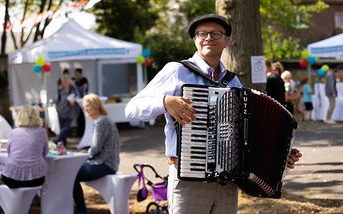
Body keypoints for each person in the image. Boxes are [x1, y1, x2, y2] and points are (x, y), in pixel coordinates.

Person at [125, 13, 302, 214]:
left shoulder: (233, 82)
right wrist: (165, 102)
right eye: (202, 34)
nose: (208, 38)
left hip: (227, 183)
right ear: (195, 40)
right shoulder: (176, 71)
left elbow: (248, 133)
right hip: (189, 180)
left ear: (226, 40)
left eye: (216, 34)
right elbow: (131, 110)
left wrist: (279, 155)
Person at [73, 93, 120, 213]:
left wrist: (81, 156)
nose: (85, 109)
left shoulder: (101, 122)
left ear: (95, 105)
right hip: (107, 162)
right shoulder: (104, 120)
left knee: (71, 173)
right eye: (84, 107)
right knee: (72, 171)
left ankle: (81, 209)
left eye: (87, 106)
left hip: (105, 164)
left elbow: (95, 149)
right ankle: (79, 208)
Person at [0, 105, 48, 188]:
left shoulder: (14, 132)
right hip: (37, 178)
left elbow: (9, 153)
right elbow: (45, 153)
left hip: (12, 178)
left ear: (20, 117)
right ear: (36, 117)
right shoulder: (42, 132)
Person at [54, 75, 80, 146]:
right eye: (63, 82)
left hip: (70, 112)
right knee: (62, 128)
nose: (64, 83)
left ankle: (57, 138)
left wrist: (74, 99)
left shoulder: (73, 89)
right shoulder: (59, 90)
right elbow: (56, 100)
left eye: (65, 82)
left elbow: (78, 97)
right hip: (61, 111)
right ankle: (63, 144)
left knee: (67, 127)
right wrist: (56, 107)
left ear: (68, 82)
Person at [73, 68, 89, 138]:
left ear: (80, 74)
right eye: (75, 74)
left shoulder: (84, 80)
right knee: (78, 118)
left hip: (83, 101)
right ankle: (79, 132)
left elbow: (84, 89)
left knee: (83, 117)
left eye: (77, 74)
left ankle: (83, 132)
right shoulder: (74, 80)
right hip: (77, 102)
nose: (76, 75)